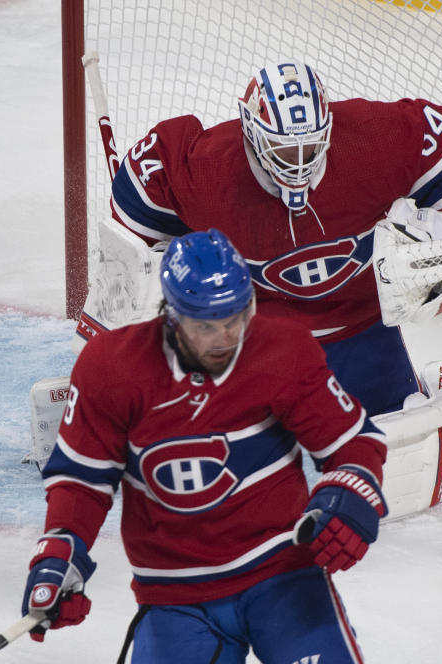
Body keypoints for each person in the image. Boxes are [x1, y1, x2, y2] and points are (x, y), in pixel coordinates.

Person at [21, 229, 388, 663]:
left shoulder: (283, 350)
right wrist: (61, 547)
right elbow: (82, 479)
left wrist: (353, 487)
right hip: (174, 592)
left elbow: (354, 442)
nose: (226, 337)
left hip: (282, 574)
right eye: (206, 326)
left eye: (235, 317)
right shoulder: (110, 369)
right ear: (172, 316)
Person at [92, 59, 442, 419]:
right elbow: (134, 196)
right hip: (250, 344)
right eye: (286, 150)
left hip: (361, 332)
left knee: (394, 445)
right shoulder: (208, 167)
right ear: (250, 130)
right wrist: (147, 263)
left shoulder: (375, 138)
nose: (301, 163)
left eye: (311, 147)